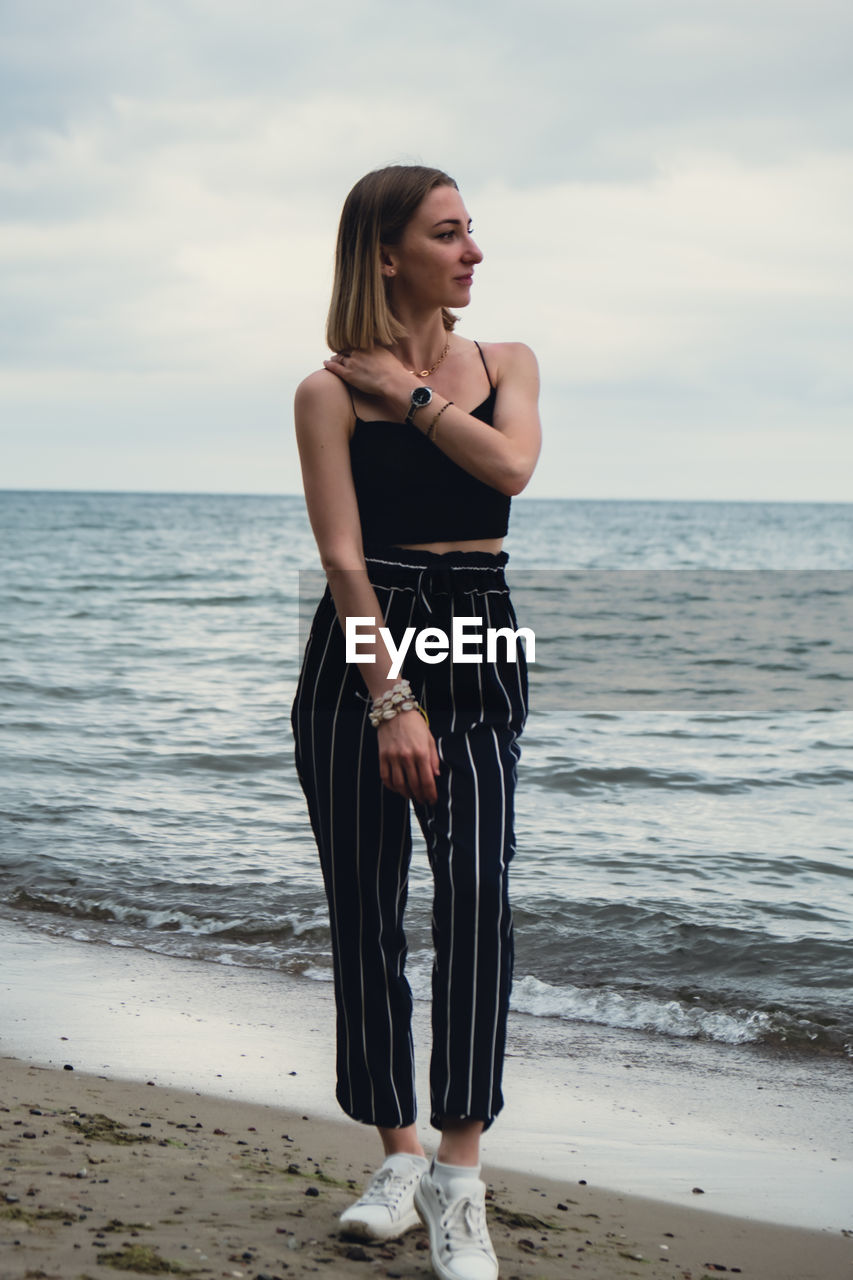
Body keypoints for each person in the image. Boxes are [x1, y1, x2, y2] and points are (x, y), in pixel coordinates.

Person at [290, 164, 541, 1280]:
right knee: (368, 908)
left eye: (471, 231)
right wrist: (388, 694)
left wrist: (419, 400)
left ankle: (458, 1174)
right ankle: (396, 1152)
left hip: (480, 629)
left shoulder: (506, 365)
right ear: (387, 254)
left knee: (478, 891)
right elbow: (341, 556)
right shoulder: (325, 391)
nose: (473, 252)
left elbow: (512, 467)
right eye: (448, 235)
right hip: (367, 632)